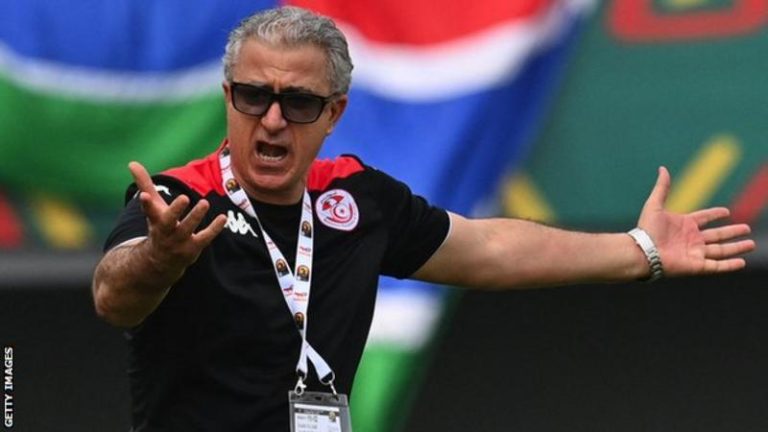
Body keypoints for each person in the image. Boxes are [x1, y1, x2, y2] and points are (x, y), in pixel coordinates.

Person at [91, 6, 756, 431]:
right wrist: (160, 259)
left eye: (297, 103)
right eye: (252, 96)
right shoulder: (179, 200)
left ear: (334, 114)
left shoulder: (357, 197)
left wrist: (639, 249)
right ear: (228, 97)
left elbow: (488, 250)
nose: (271, 120)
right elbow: (114, 297)